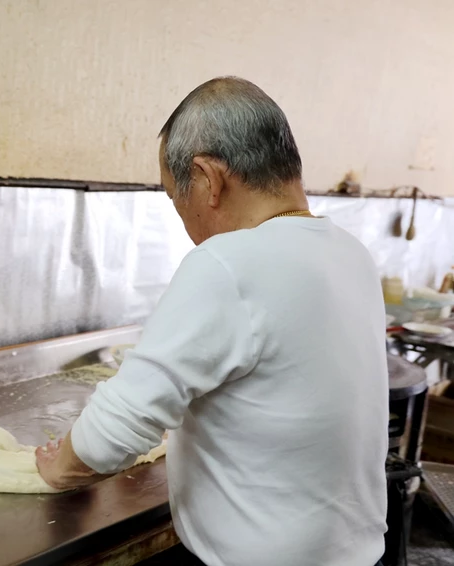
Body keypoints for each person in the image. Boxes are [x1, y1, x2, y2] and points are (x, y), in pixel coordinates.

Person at [35, 77, 388, 566]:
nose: (183, 217)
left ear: (207, 177)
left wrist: (59, 467)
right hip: (355, 552)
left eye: (175, 196)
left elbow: (110, 433)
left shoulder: (230, 262)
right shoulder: (351, 254)